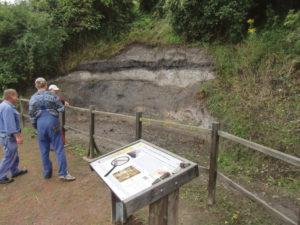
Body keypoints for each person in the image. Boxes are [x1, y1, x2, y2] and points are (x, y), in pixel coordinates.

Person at [29, 78, 75, 181]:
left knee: (44, 150)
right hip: (52, 122)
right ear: (46, 85)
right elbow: (61, 109)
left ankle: (47, 173)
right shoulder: (52, 95)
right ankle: (63, 173)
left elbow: (31, 115)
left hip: (40, 124)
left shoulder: (32, 98)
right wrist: (63, 105)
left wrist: (36, 126)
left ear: (36, 86)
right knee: (59, 148)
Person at [0, 89, 27, 184]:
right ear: (11, 96)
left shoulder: (4, 105)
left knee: (14, 154)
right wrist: (18, 136)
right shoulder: (7, 107)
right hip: (8, 136)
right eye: (16, 96)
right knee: (9, 156)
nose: (17, 98)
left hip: (4, 136)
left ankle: (14, 170)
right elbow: (10, 125)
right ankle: (1, 176)